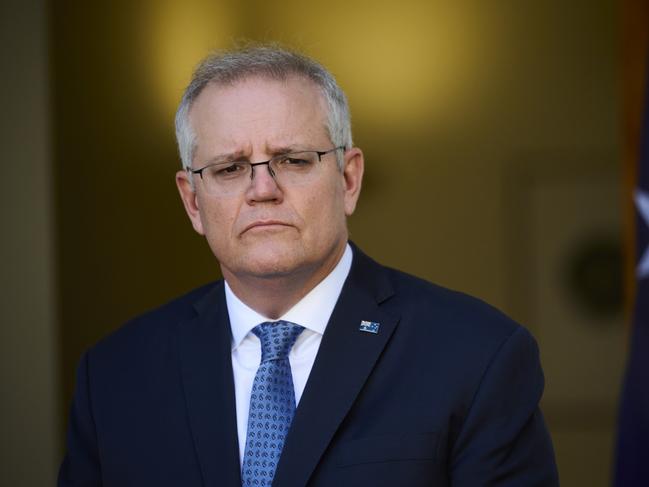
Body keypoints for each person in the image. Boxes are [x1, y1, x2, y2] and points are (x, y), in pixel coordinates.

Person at [59, 45, 559, 487]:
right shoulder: (114, 378)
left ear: (349, 178)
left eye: (294, 160)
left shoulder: (476, 357)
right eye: (230, 168)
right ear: (193, 202)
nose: (262, 189)